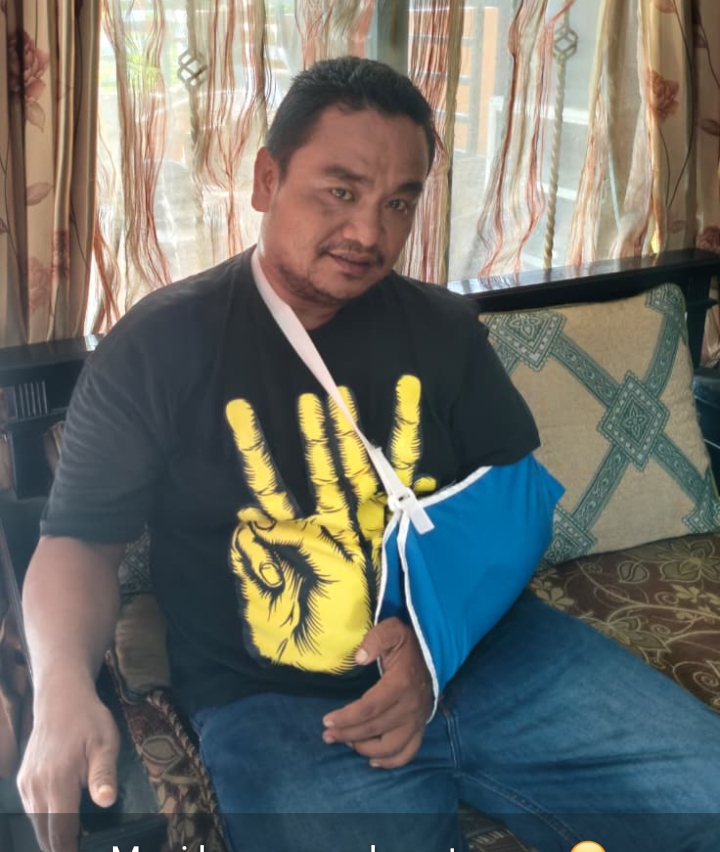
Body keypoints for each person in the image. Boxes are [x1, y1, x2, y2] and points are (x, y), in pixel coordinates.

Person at [16, 57, 720, 852]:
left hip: (494, 653)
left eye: (398, 203)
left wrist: (431, 647)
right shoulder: (159, 346)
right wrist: (62, 688)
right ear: (266, 179)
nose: (369, 234)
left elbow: (515, 497)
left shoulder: (442, 328)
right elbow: (78, 540)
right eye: (340, 192)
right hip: (279, 706)